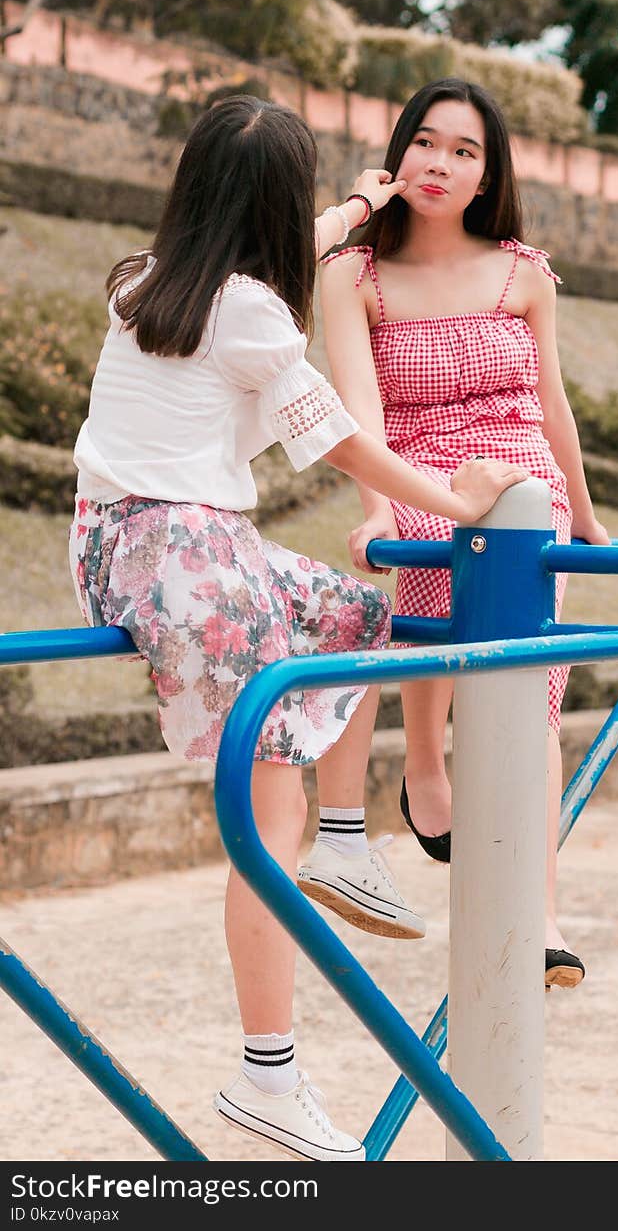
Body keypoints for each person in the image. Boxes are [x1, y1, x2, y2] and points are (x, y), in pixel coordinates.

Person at [68, 94, 526, 1162]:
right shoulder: (253, 317)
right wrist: (456, 506)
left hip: (116, 549)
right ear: (277, 206)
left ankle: (347, 841)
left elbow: (289, 247)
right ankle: (265, 1071)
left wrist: (362, 203)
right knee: (258, 824)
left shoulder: (143, 280)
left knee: (360, 612)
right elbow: (339, 444)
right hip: (187, 558)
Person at [318, 76, 611, 993]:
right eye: (427, 143)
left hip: (523, 484)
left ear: (488, 175)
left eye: (465, 151)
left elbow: (551, 404)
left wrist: (587, 511)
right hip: (419, 475)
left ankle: (544, 911)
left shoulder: (524, 269)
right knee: (433, 543)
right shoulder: (351, 274)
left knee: (534, 689)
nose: (440, 164)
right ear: (397, 151)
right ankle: (428, 760)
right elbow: (356, 413)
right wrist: (377, 509)